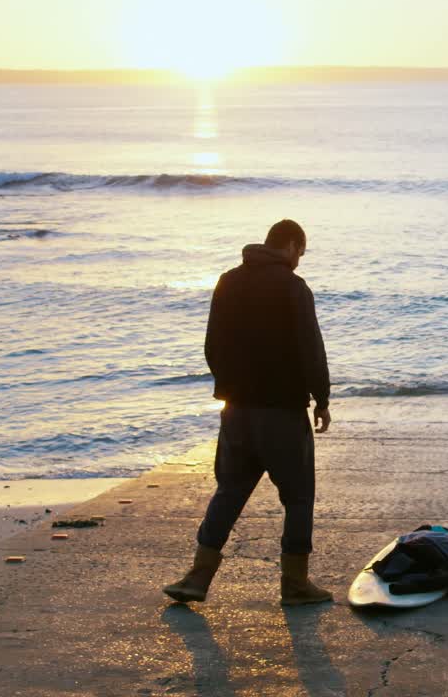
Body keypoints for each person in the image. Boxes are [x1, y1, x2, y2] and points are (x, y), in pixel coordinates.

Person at [163, 219, 333, 606]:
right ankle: (295, 584)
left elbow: (212, 344)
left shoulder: (229, 281)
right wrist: (321, 399)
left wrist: (230, 386)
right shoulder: (293, 287)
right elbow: (312, 348)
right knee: (298, 497)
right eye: (300, 254)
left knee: (230, 490)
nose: (299, 262)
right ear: (291, 246)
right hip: (283, 412)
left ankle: (198, 575)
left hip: (236, 410)